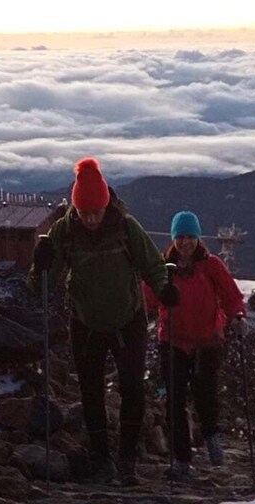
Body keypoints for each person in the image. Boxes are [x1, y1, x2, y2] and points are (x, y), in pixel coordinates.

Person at [28, 157, 178, 486]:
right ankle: (101, 457)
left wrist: (164, 288)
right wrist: (40, 266)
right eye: (85, 212)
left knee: (133, 389)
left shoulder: (125, 227)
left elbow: (152, 263)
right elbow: (43, 285)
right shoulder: (64, 232)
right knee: (91, 391)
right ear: (76, 209)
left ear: (106, 204)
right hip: (86, 323)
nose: (92, 218)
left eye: (96, 211)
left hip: (128, 320)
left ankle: (126, 460)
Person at [146, 210, 248, 481]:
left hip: (207, 341)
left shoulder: (212, 265)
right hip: (172, 341)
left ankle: (211, 435)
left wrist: (238, 316)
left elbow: (231, 296)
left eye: (190, 236)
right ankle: (182, 458)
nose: (185, 242)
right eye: (180, 236)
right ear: (173, 238)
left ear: (198, 237)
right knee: (175, 401)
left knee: (206, 395)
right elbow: (147, 298)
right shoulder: (162, 267)